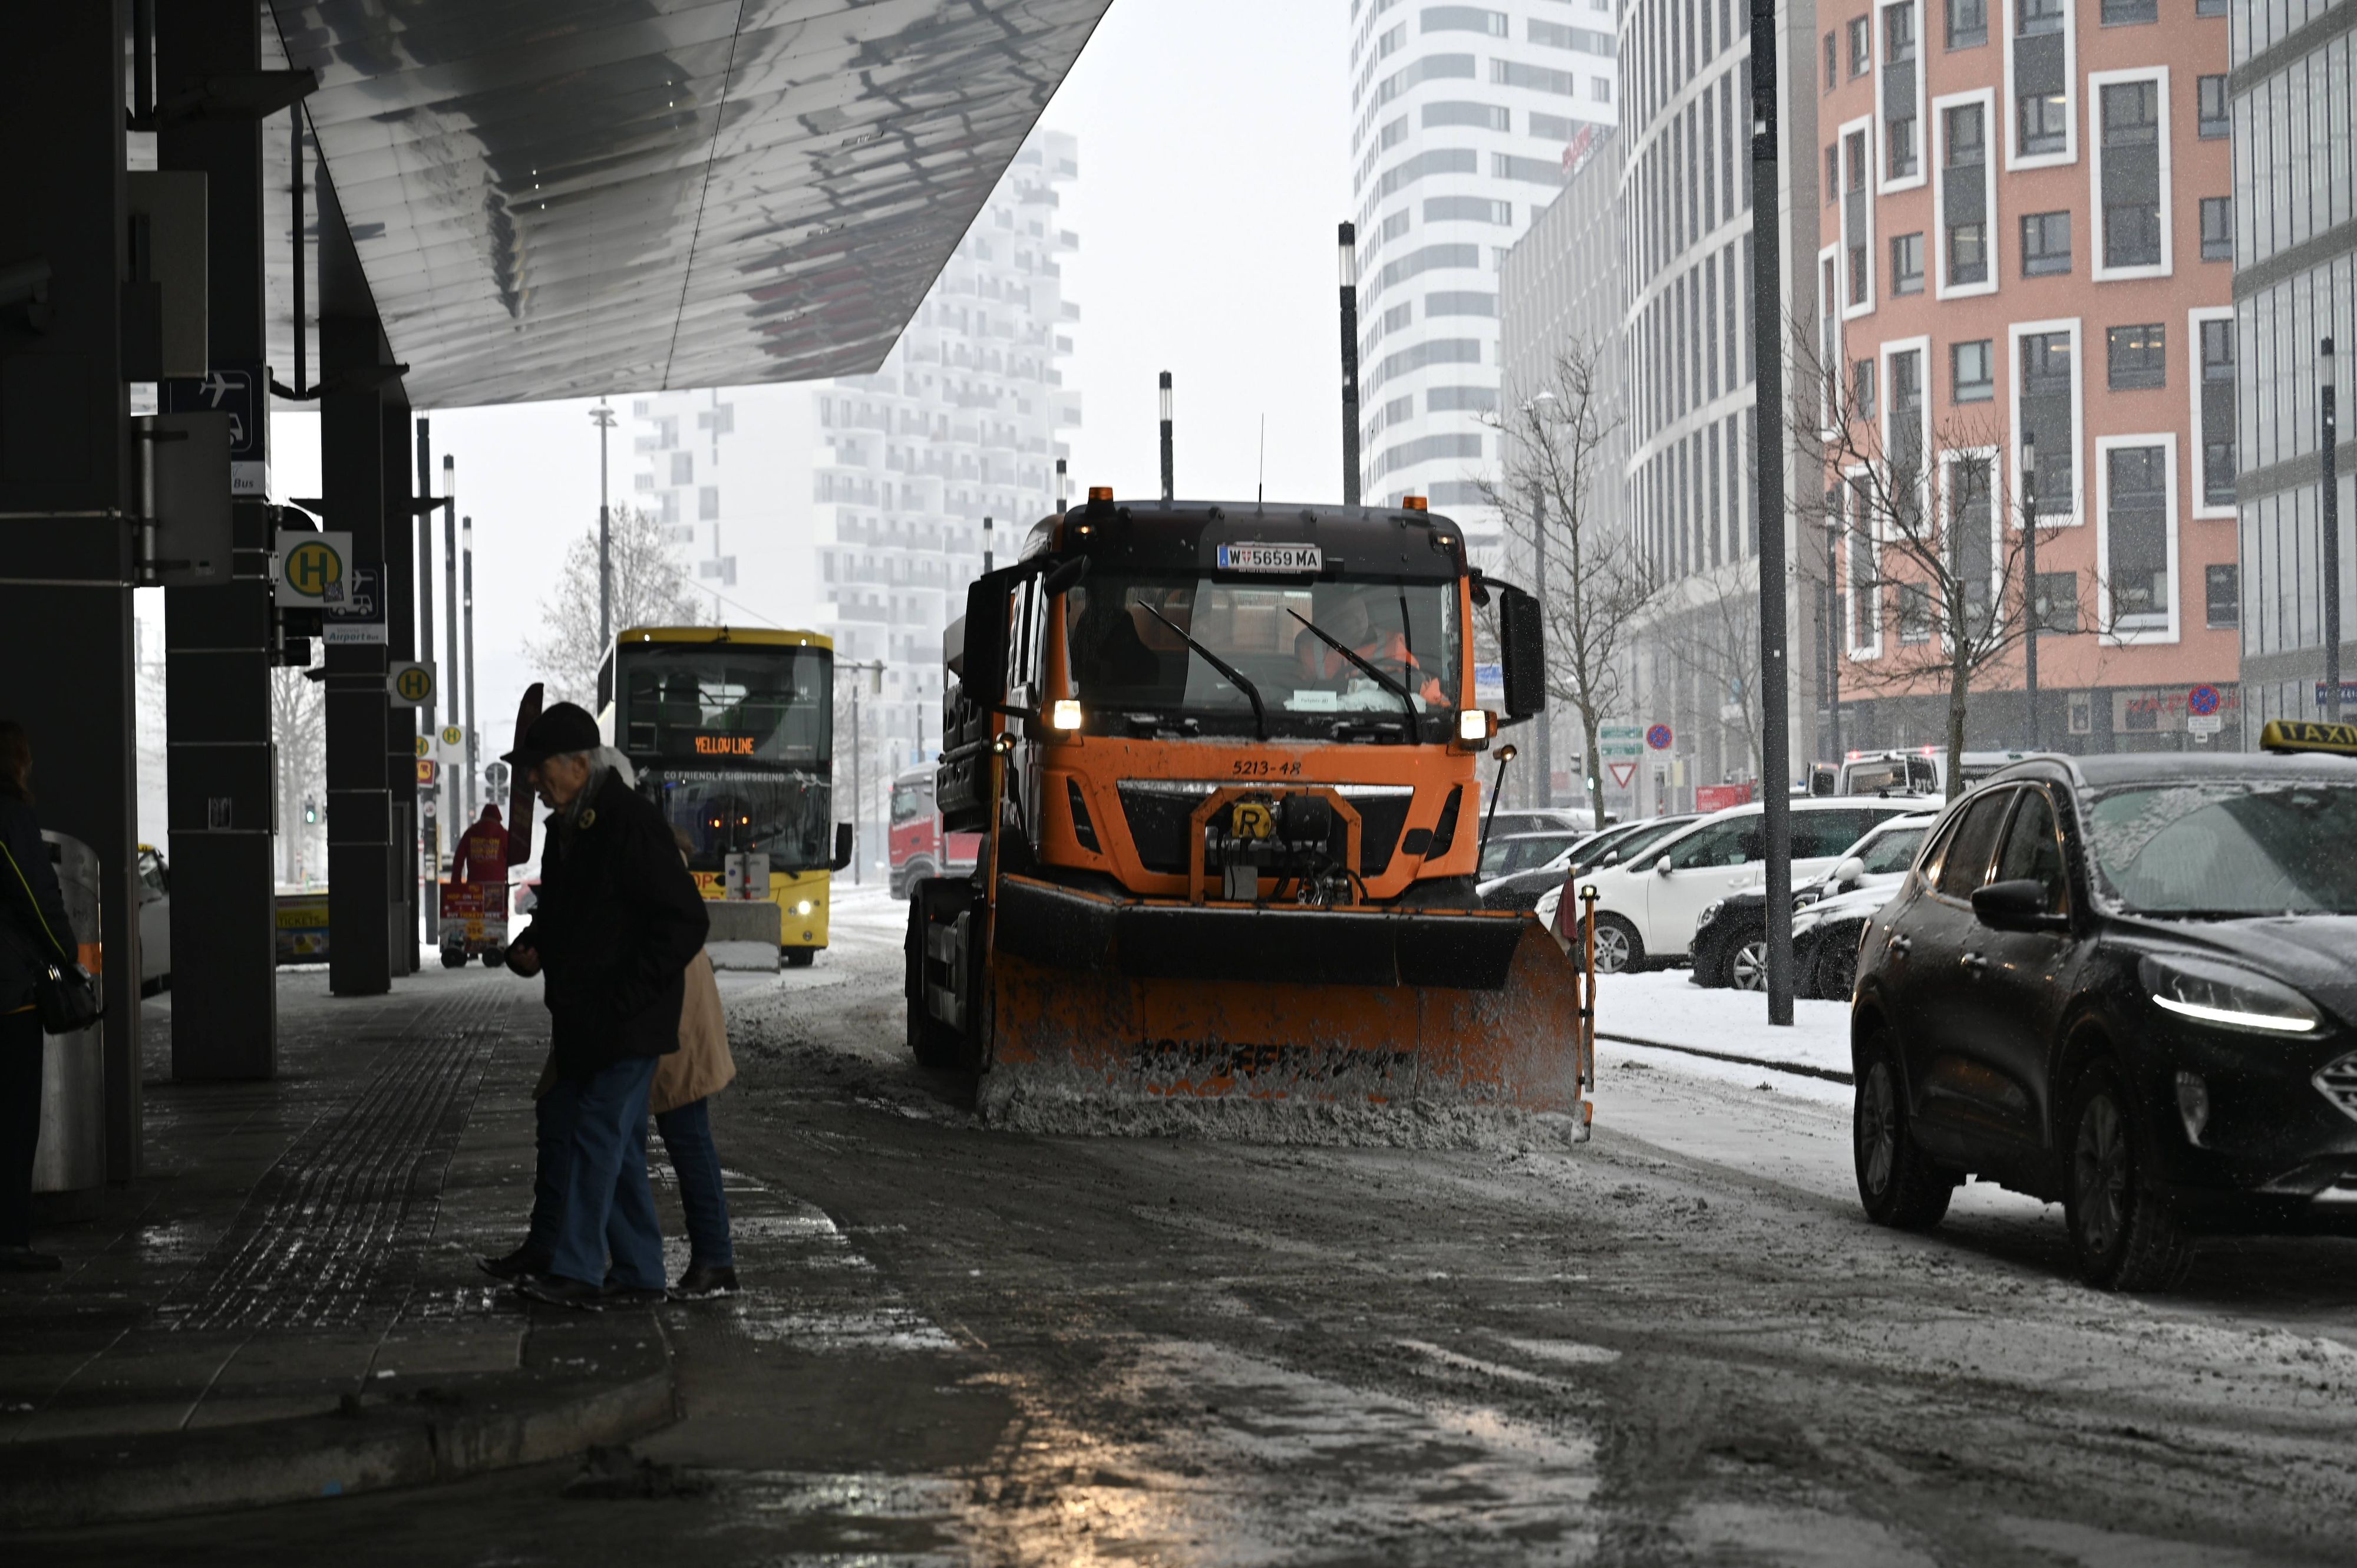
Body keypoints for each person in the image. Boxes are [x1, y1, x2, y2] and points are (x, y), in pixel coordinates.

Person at [497, 702, 709, 1309]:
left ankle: (579, 1270)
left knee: (595, 1133)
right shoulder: (569, 827)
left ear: (578, 763)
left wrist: (628, 997)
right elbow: (566, 912)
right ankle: (640, 1271)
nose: (532, 781)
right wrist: (536, 941)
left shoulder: (626, 822)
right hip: (587, 1019)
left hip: (625, 1020)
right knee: (606, 1146)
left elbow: (684, 920)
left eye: (539, 768)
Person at [486, 826, 740, 1299]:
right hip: (615, 1004)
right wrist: (539, 941)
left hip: (660, 1002)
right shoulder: (579, 830)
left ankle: (709, 1259)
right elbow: (574, 908)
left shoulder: (620, 836)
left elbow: (614, 916)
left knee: (677, 1127)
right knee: (576, 1116)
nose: (542, 787)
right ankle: (570, 1251)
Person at [0, 721, 74, 1272]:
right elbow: (34, 891)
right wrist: (66, 953)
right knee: (16, 1115)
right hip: (8, 992)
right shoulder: (11, 815)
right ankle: (11, 1239)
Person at [451, 803, 510, 884]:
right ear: (498, 819)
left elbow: (458, 859)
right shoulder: (503, 834)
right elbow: (512, 856)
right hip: (497, 887)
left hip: (474, 886)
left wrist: (456, 883)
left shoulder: (470, 833)